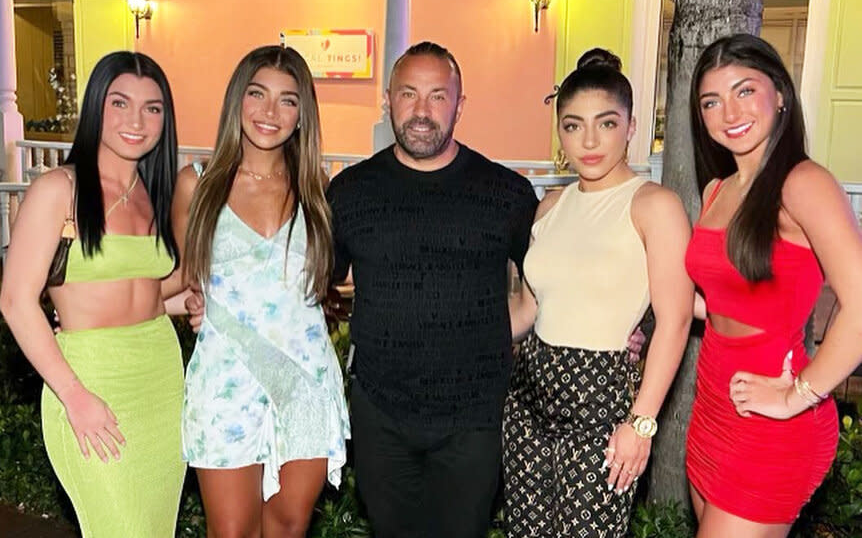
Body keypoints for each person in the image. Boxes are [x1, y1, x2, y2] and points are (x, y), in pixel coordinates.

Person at [325, 41, 539, 538]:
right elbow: (316, 285)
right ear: (388, 100)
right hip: (381, 412)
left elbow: (556, 284)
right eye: (408, 94)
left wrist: (622, 329)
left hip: (475, 417)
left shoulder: (504, 193)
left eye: (438, 96)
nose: (421, 112)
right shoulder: (351, 192)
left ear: (460, 105)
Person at [504, 49, 693, 537]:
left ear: (631, 127)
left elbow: (674, 321)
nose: (588, 141)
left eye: (606, 124)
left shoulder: (654, 206)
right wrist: (453, 339)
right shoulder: (549, 206)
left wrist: (642, 424)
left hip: (603, 398)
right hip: (528, 395)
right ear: (560, 132)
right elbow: (528, 308)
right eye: (572, 125)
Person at [0, 51, 186, 537]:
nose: (136, 120)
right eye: (119, 103)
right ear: (95, 107)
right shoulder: (59, 189)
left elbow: (142, 290)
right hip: (90, 382)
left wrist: (185, 303)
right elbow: (16, 300)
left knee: (156, 528)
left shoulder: (154, 192)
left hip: (162, 383)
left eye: (153, 108)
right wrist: (74, 395)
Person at [685, 33, 862, 536]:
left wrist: (796, 396)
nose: (728, 112)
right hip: (714, 404)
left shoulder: (805, 183)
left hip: (774, 421)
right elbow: (721, 300)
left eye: (745, 91)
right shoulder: (717, 188)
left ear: (780, 93)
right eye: (711, 101)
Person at [173, 45, 349, 537]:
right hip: (227, 378)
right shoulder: (197, 184)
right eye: (258, 94)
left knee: (289, 525)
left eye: (287, 100)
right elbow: (181, 277)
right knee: (231, 530)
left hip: (305, 378)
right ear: (237, 101)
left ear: (302, 114)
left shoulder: (317, 188)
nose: (270, 112)